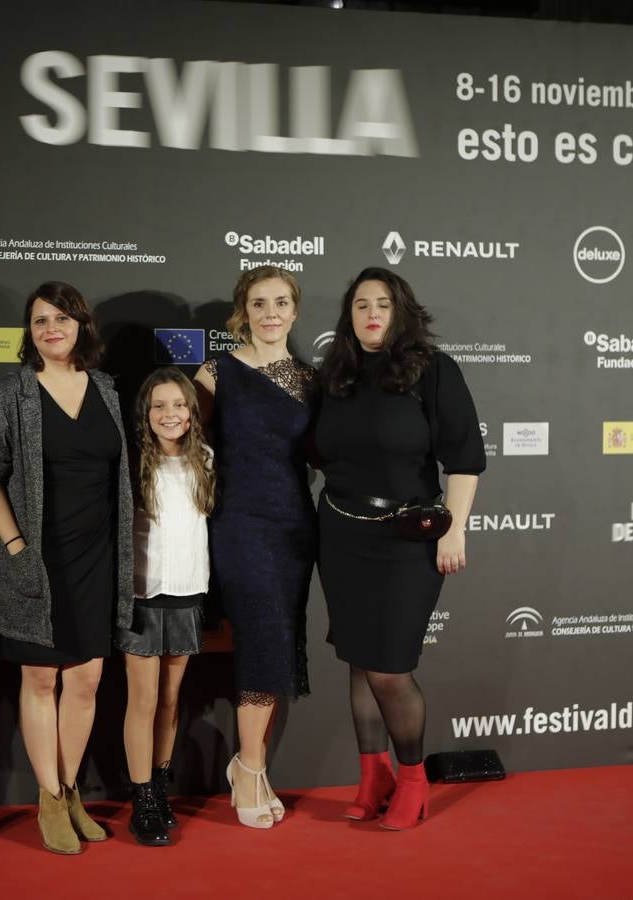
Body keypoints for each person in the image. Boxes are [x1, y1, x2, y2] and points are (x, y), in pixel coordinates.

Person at [314, 267, 484, 830]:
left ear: (401, 311)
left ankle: (413, 781)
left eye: (382, 304)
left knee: (389, 667)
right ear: (349, 314)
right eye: (361, 304)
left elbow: (462, 459)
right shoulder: (333, 376)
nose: (371, 314)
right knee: (361, 662)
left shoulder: (432, 370)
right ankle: (373, 776)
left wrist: (454, 529)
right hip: (341, 534)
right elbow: (317, 452)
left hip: (409, 538)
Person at [0, 281, 133, 855]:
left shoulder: (109, 392)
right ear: (30, 331)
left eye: (62, 319)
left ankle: (70, 791)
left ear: (81, 327)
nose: (52, 329)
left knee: (87, 679)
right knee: (40, 678)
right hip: (37, 559)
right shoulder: (10, 395)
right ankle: (48, 796)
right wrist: (17, 546)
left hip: (99, 558)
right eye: (40, 320)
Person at [194, 265, 317, 829]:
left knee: (280, 644)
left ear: (295, 310)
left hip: (295, 526)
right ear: (243, 311)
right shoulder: (217, 374)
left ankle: (252, 766)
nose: (271, 313)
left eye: (281, 302)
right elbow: (181, 450)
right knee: (263, 636)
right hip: (239, 524)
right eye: (259, 303)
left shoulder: (311, 381)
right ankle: (248, 767)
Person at [117, 367, 215, 846]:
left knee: (172, 700)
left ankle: (159, 783)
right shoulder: (132, 463)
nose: (169, 413)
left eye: (178, 404)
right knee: (144, 699)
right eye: (159, 405)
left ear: (192, 413)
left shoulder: (207, 460)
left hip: (188, 590)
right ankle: (143, 800)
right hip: (141, 595)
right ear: (145, 413)